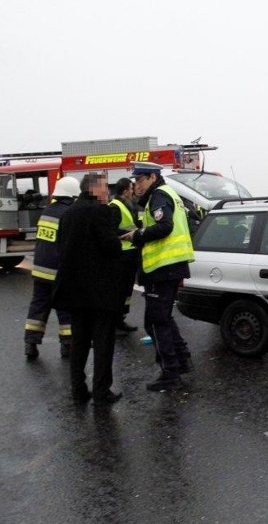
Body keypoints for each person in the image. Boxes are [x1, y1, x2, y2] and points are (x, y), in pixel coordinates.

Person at [52, 173, 125, 405]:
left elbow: (61, 248)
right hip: (100, 292)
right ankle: (102, 392)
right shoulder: (100, 211)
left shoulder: (68, 214)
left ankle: (78, 390)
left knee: (80, 342)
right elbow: (110, 246)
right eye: (105, 188)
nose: (107, 192)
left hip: (73, 290)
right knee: (103, 342)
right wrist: (118, 240)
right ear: (94, 189)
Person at [122, 162, 195, 391]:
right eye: (135, 182)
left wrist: (137, 234)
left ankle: (170, 372)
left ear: (152, 177)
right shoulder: (169, 194)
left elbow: (165, 226)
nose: (137, 186)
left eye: (140, 180)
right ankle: (182, 360)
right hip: (172, 266)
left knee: (154, 321)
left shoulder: (159, 196)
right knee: (163, 317)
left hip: (163, 268)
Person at [23, 176, 81, 360]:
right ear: (72, 196)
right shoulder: (68, 214)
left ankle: (30, 344)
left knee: (38, 307)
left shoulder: (47, 211)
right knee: (66, 309)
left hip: (40, 269)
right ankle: (68, 346)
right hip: (58, 271)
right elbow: (71, 245)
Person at [109, 177, 141, 334]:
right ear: (125, 191)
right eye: (131, 188)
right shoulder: (115, 207)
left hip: (130, 253)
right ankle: (115, 320)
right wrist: (129, 234)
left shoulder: (128, 205)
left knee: (127, 288)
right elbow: (111, 230)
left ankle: (121, 318)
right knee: (120, 289)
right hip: (121, 255)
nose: (133, 191)